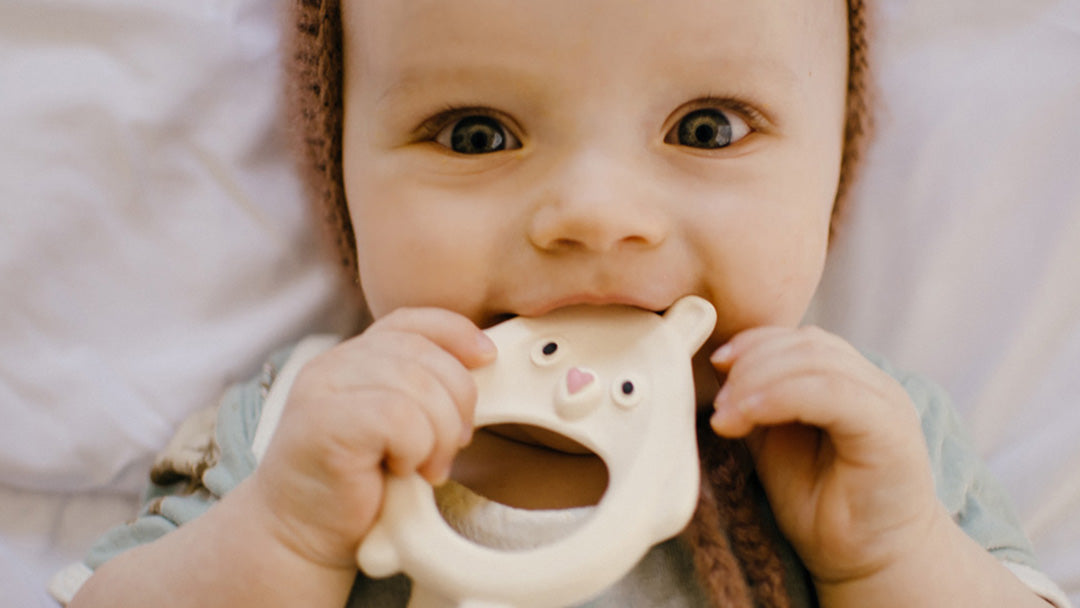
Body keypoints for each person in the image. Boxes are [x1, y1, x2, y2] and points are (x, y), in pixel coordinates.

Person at [59, 0, 1069, 606]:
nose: (595, 215)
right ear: (343, 174)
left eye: (708, 128)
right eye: (474, 135)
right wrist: (282, 532)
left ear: (832, 160)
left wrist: (893, 554)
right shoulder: (307, 425)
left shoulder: (863, 441)